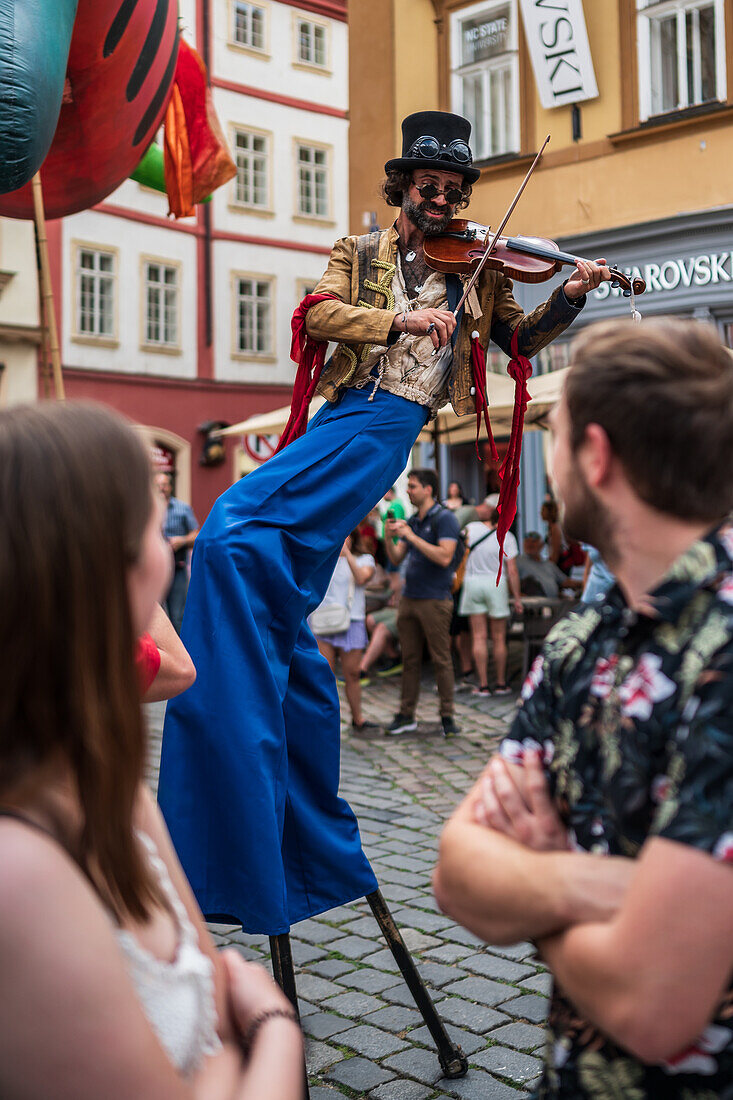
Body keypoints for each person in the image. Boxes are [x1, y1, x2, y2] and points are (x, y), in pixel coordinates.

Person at [158, 109, 609, 934]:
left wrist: (571, 295)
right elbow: (317, 315)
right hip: (343, 409)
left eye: (455, 188)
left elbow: (518, 339)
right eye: (429, 185)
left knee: (228, 525)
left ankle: (240, 690)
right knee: (259, 548)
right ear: (404, 187)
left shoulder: (480, 264)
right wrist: (397, 318)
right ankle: (274, 673)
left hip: (389, 419)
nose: (443, 199)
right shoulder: (360, 253)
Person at [434, 318, 733, 1098]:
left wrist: (535, 876)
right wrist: (601, 891)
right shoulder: (583, 637)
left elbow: (649, 1003)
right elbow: (455, 874)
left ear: (594, 458)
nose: (549, 464)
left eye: (555, 439)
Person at [0, 402, 304, 1100]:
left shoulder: (105, 786)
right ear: (114, 559)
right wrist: (275, 1026)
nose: (172, 543)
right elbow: (222, 1017)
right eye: (156, 515)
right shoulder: (22, 868)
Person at [384, 468, 461, 735]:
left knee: (441, 659)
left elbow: (444, 557)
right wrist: (388, 533)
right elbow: (395, 558)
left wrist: (411, 537)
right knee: (410, 659)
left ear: (428, 489)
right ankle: (406, 714)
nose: (407, 490)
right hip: (410, 597)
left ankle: (447, 717)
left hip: (435, 599)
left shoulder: (445, 519)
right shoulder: (414, 520)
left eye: (412, 486)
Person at [311, 530, 378, 733]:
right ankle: (326, 720)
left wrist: (347, 555)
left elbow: (361, 579)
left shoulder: (365, 559)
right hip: (324, 621)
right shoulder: (321, 558)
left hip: (352, 620)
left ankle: (358, 718)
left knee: (353, 674)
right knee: (325, 676)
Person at [459, 508, 522, 696]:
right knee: (499, 638)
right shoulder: (508, 536)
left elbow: (459, 546)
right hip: (496, 584)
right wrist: (517, 597)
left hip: (472, 583)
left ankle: (483, 685)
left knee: (478, 637)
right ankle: (501, 683)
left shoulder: (471, 528)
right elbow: (512, 571)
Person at [156, 472, 199, 634]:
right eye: (157, 485)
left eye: (164, 484)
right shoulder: (147, 508)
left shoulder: (182, 508)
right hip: (155, 570)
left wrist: (180, 540)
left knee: (176, 617)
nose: (161, 488)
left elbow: (196, 534)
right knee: (155, 618)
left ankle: (182, 656)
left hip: (177, 569)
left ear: (170, 487)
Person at [516, 531, 581, 598]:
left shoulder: (549, 564)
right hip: (530, 604)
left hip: (551, 603)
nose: (530, 544)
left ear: (541, 545)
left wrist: (584, 583)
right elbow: (509, 581)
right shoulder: (518, 562)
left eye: (533, 542)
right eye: (527, 541)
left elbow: (565, 582)